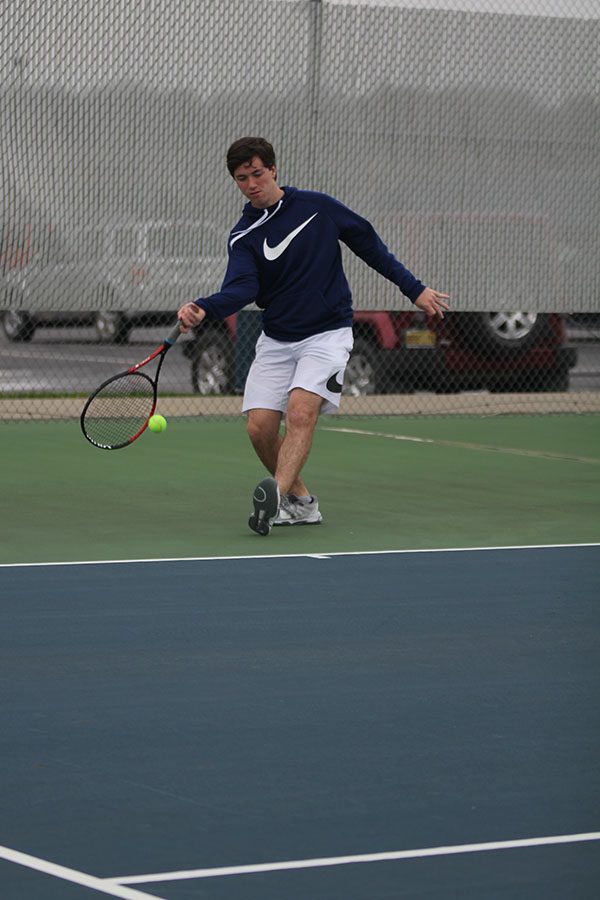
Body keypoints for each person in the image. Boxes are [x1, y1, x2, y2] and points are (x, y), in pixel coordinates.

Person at [178, 136, 449, 536]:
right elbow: (243, 289)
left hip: (327, 334)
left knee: (301, 413)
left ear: (272, 169)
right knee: (259, 429)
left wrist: (415, 289)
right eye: (241, 178)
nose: (251, 183)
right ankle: (301, 503)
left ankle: (275, 495)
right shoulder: (243, 236)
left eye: (256, 173)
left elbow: (369, 244)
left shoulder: (316, 207)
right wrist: (204, 307)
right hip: (277, 340)